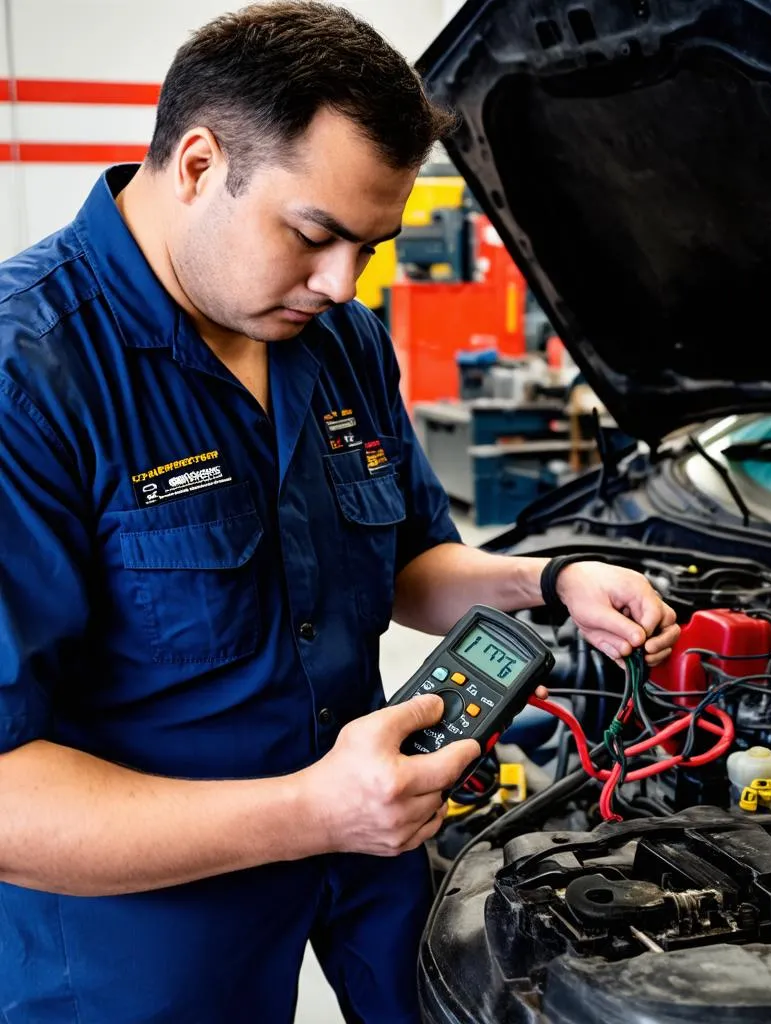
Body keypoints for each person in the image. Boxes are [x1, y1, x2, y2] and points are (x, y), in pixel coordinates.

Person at [0, 3, 680, 1021]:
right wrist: (310, 810)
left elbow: (407, 557)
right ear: (196, 165)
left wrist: (547, 580)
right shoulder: (30, 374)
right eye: (315, 235)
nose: (339, 283)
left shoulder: (339, 341)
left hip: (372, 852)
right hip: (141, 922)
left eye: (369, 247)